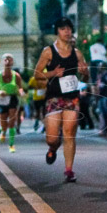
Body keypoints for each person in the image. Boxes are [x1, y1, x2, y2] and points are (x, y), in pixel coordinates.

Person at [34, 17, 89, 182]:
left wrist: (85, 71)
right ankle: (53, 148)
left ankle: (69, 170)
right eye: (63, 28)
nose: (67, 32)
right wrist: (52, 74)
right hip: (54, 98)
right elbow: (36, 74)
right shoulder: (48, 51)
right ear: (57, 31)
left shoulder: (77, 53)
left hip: (72, 98)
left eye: (69, 29)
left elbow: (85, 74)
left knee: (69, 134)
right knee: (52, 138)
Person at [0, 53, 26, 153]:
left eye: (10, 60)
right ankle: (3, 131)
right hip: (2, 100)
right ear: (3, 62)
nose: (7, 62)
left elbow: (20, 87)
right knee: (4, 122)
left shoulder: (16, 75)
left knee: (12, 122)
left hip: (12, 98)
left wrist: (21, 92)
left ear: (12, 62)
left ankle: (11, 144)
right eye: (6, 59)